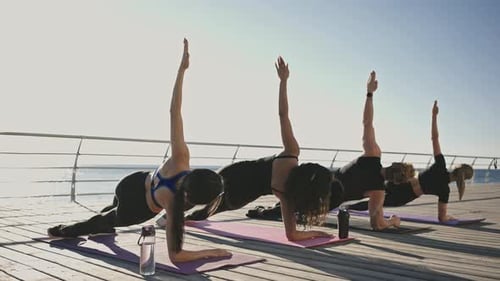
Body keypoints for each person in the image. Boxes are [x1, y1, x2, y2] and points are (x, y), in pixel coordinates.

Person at [47, 39, 231, 263]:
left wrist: (182, 70)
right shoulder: (174, 207)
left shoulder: (181, 160)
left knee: (110, 214)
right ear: (192, 198)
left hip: (131, 182)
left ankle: (103, 221)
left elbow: (175, 111)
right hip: (136, 209)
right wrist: (212, 252)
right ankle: (63, 231)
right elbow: (177, 256)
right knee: (105, 221)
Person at [182, 56, 333, 241]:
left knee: (196, 194)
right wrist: (316, 233)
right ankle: (179, 220)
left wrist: (283, 82)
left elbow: (283, 115)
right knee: (207, 210)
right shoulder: (286, 194)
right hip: (241, 195)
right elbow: (292, 235)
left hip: (234, 172)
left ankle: (168, 214)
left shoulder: (291, 154)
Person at [249, 71, 404, 230]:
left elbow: (367, 122)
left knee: (293, 198)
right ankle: (268, 211)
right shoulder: (378, 191)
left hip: (319, 179)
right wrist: (392, 221)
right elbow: (376, 224)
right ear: (394, 182)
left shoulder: (373, 154)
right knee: (295, 207)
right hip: (326, 197)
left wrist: (369, 93)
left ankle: (270, 209)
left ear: (393, 164)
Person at [349, 101, 474, 222]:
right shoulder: (444, 191)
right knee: (376, 202)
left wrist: (434, 116)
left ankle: (344, 201)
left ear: (456, 168)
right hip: (406, 196)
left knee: (372, 191)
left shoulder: (440, 164)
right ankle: (348, 208)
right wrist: (448, 217)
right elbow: (442, 218)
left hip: (403, 180)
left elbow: (434, 138)